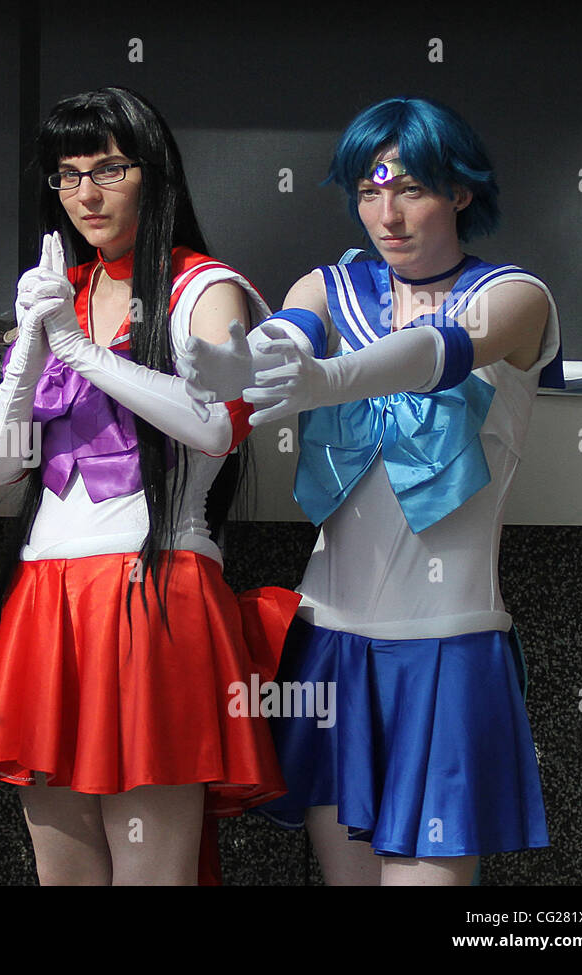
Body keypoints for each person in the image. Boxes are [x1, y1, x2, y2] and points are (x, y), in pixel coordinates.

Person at [0, 87, 299, 885]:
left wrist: (80, 350)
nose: (86, 192)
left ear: (155, 174)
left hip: (158, 593)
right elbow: (0, 463)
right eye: (68, 174)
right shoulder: (62, 287)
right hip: (47, 598)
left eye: (109, 167)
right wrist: (30, 350)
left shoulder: (205, 287)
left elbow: (218, 423)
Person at [231, 96, 558, 885]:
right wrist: (248, 356)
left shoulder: (518, 297)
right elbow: (291, 337)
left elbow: (436, 352)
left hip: (449, 641)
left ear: (462, 190)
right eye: (370, 192)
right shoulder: (330, 284)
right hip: (332, 639)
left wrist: (325, 378)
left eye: (411, 188)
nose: (388, 213)